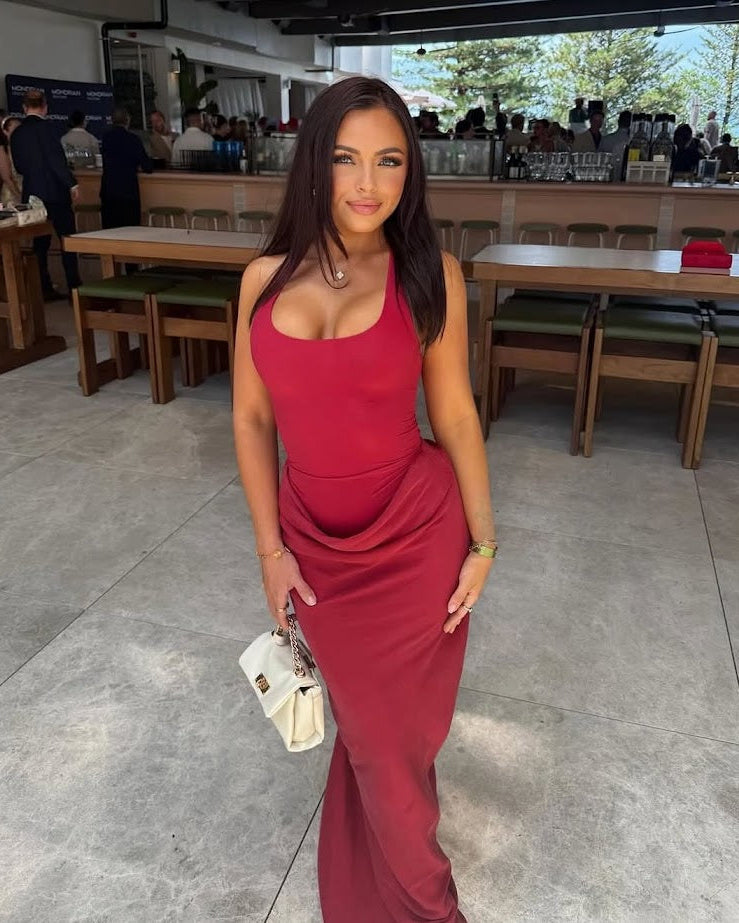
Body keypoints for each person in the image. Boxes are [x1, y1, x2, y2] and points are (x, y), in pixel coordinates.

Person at [233, 76, 495, 923]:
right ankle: (363, 883)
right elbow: (250, 419)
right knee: (367, 727)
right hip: (314, 545)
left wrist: (484, 543)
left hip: (415, 535)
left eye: (389, 161)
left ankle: (426, 906)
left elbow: (454, 414)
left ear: (410, 172)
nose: (367, 182)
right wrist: (269, 550)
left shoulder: (429, 274)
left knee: (390, 744)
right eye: (347, 158)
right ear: (314, 163)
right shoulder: (262, 279)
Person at [10, 89, 81, 300]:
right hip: (55, 193)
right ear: (45, 107)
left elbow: (19, 167)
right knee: (67, 240)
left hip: (33, 194)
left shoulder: (18, 133)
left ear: (24, 108)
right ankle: (74, 288)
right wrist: (72, 183)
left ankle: (43, 287)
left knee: (40, 245)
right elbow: (56, 161)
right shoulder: (49, 129)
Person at [100, 107, 152, 237]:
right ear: (127, 120)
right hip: (128, 190)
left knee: (110, 229)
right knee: (130, 230)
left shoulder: (106, 138)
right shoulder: (133, 139)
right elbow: (147, 166)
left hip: (109, 189)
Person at [600, 110, 632, 180]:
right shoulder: (634, 142)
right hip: (628, 178)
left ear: (618, 122)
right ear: (631, 123)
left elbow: (599, 161)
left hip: (607, 178)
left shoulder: (606, 140)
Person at [1, 116, 22, 206]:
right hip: (11, 194)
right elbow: (7, 177)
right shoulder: (4, 150)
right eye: (15, 130)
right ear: (5, 132)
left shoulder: (23, 149)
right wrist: (19, 197)